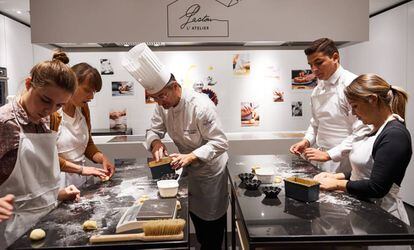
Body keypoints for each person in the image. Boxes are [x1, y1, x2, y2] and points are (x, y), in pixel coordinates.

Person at [123, 43, 229, 250]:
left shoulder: (201, 106)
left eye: (162, 96)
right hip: (188, 169)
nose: (159, 101)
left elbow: (220, 142)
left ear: (175, 86)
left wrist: (191, 156)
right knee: (195, 221)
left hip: (210, 173)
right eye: (154, 97)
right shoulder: (163, 107)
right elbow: (152, 131)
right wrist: (155, 144)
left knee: (211, 227)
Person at [0, 51, 81, 247]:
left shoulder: (46, 121)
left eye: (59, 105)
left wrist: (56, 194)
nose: (49, 110)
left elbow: (33, 182)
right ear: (29, 84)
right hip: (13, 231)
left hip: (49, 222)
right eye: (45, 100)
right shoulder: (5, 123)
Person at [314, 74, 411, 225]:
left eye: (355, 106)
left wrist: (337, 184)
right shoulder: (372, 130)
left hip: (385, 216)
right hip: (366, 211)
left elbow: (377, 187)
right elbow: (366, 169)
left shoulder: (394, 135)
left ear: (372, 100)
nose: (353, 113)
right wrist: (337, 176)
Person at [290, 38, 369, 173]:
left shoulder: (352, 85)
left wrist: (330, 154)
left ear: (335, 57)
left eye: (319, 63)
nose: (314, 70)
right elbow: (316, 123)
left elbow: (362, 131)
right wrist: (307, 141)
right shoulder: (317, 89)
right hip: (320, 159)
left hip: (346, 161)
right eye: (310, 65)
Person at [50, 62, 115, 188]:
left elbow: (87, 144)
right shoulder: (53, 113)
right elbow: (47, 157)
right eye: (87, 90)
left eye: (94, 92)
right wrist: (81, 169)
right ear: (72, 84)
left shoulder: (83, 108)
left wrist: (102, 158)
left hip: (81, 180)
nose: (91, 97)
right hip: (58, 183)